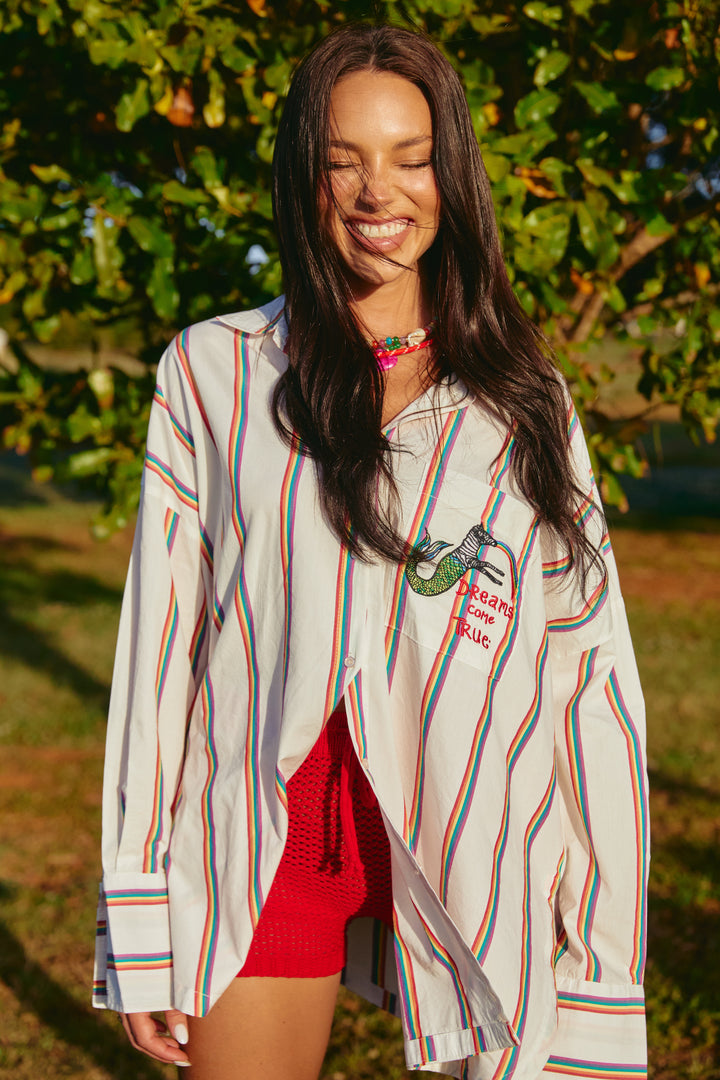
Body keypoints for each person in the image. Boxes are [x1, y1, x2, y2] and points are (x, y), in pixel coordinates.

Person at [92, 22, 649, 1080]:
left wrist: (604, 952)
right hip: (269, 837)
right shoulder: (214, 373)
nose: (375, 193)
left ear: (455, 178)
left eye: (410, 156)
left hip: (479, 828)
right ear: (304, 178)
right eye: (342, 161)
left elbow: (590, 682)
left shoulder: (523, 403)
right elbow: (157, 659)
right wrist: (143, 913)